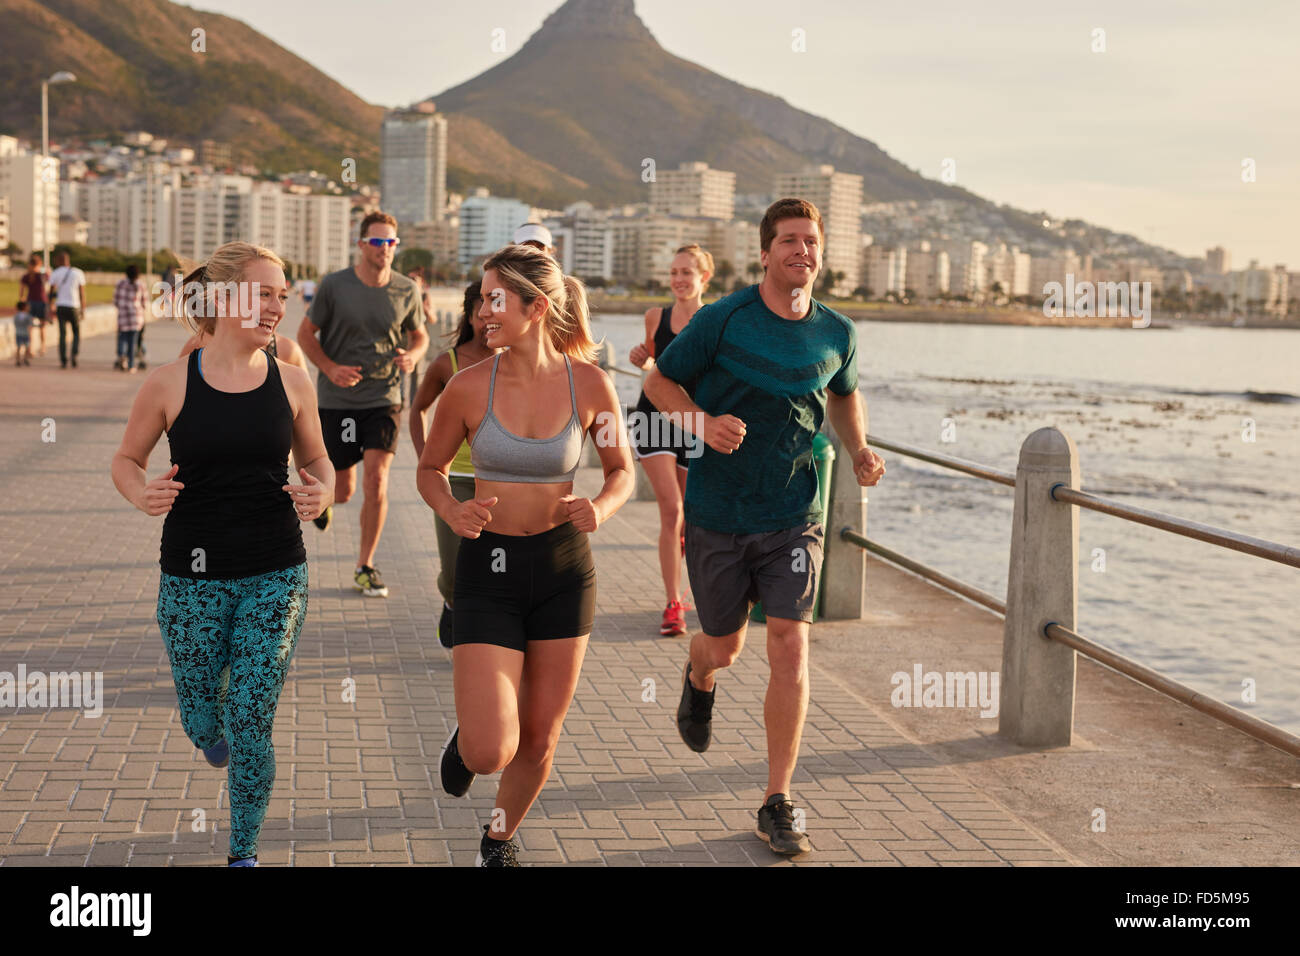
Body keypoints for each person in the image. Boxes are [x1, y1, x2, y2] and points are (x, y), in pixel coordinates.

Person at [644, 198, 887, 857]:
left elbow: (844, 392)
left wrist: (858, 447)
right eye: (788, 240)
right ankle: (699, 676)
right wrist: (700, 423)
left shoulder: (838, 330)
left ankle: (777, 799)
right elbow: (659, 380)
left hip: (794, 517)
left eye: (811, 240)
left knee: (789, 645)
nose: (801, 250)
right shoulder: (725, 319)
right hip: (720, 515)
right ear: (765, 252)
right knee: (723, 647)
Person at [110, 240, 334, 867]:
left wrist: (323, 491)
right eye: (266, 294)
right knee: (202, 717)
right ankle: (210, 734)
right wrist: (141, 493)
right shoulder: (169, 382)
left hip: (276, 573)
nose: (277, 309)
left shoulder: (293, 381)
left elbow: (317, 459)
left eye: (283, 298)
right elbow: (126, 460)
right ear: (227, 296)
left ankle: (244, 853)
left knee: (252, 716)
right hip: (190, 578)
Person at [417, 244, 633, 866]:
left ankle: (498, 839)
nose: (482, 311)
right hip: (487, 569)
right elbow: (430, 469)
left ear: (536, 308)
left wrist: (603, 506)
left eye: (494, 299)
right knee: (491, 750)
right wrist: (452, 510)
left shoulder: (590, 383)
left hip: (565, 572)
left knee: (537, 738)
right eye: (482, 298)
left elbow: (621, 471)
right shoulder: (465, 387)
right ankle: (468, 745)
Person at [296, 211, 429, 596]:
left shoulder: (406, 289)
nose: (385, 248)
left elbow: (419, 336)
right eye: (377, 241)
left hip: (384, 397)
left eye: (391, 242)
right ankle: (327, 503)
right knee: (344, 488)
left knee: (377, 480)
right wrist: (330, 368)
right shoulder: (335, 286)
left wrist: (414, 356)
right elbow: (306, 335)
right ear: (361, 245)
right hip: (337, 399)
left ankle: (365, 565)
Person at [409, 281, 501, 649]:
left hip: (501, 482)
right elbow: (416, 411)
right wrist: (426, 462)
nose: (487, 319)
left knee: (496, 567)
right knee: (453, 569)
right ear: (469, 314)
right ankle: (450, 600)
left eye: (496, 307)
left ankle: (482, 636)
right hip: (456, 479)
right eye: (481, 311)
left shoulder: (516, 360)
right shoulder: (447, 363)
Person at [627, 243, 713, 636]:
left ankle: (683, 572)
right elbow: (653, 364)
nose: (678, 280)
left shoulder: (715, 320)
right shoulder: (655, 316)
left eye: (687, 273)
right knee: (672, 510)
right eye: (674, 272)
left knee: (689, 519)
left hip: (694, 423)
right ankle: (673, 603)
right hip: (653, 417)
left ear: (703, 278)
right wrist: (640, 358)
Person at [48, 250, 86, 369]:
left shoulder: (56, 273)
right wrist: (83, 309)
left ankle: (63, 359)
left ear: (59, 261)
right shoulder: (78, 273)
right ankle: (74, 355)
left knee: (62, 334)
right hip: (74, 306)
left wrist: (50, 306)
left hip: (61, 306)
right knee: (76, 333)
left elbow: (51, 292)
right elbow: (82, 293)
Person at [113, 265, 148, 372]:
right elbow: (144, 303)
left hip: (123, 317)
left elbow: (115, 301)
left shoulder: (120, 283)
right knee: (133, 342)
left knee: (122, 338)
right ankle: (131, 365)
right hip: (136, 318)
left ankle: (122, 357)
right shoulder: (141, 285)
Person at [19, 256, 48, 358]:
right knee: (42, 326)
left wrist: (21, 301)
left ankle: (30, 349)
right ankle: (42, 346)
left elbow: (21, 292)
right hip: (41, 302)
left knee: (30, 327)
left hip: (30, 302)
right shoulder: (42, 275)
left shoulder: (27, 276)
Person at [12, 300, 32, 366]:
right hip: (25, 333)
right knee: (26, 347)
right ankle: (25, 359)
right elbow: (30, 325)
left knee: (19, 347)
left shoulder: (16, 316)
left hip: (18, 333)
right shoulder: (28, 316)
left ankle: (18, 360)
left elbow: (15, 323)